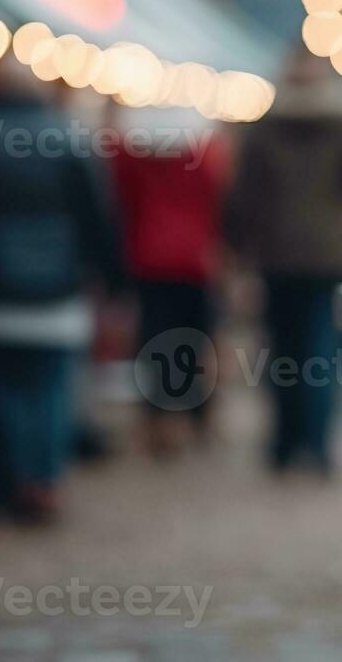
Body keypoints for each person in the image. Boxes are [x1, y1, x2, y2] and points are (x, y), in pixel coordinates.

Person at [0, 57, 125, 523]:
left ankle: (18, 477)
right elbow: (99, 216)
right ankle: (45, 479)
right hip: (58, 286)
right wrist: (110, 277)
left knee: (5, 389)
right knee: (52, 387)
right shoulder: (71, 137)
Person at [224, 57, 342, 474]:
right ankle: (317, 444)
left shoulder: (263, 129)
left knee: (282, 354)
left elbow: (242, 197)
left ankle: (284, 443)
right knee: (323, 353)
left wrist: (236, 251)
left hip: (277, 254)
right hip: (331, 255)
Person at [111, 117, 228, 455]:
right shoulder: (204, 154)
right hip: (194, 259)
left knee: (154, 341)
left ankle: (159, 419)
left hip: (149, 257)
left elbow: (122, 203)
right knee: (195, 340)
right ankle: (195, 415)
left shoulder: (130, 155)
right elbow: (218, 198)